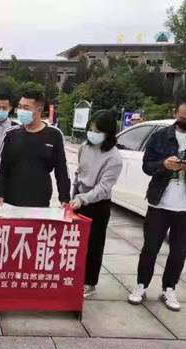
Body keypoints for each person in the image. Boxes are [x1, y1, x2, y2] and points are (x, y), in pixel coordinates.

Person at [128, 92, 186, 311]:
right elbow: (147, 166)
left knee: (179, 251)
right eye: (183, 118)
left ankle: (169, 288)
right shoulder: (160, 136)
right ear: (175, 112)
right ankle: (141, 285)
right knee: (150, 249)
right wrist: (163, 165)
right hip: (159, 202)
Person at [70, 110, 123, 298]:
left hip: (98, 205)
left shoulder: (114, 157)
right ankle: (75, 277)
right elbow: (79, 172)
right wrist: (74, 193)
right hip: (79, 199)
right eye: (91, 129)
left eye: (98, 131)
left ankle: (90, 283)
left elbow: (103, 187)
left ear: (108, 133)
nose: (92, 134)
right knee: (76, 244)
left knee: (94, 246)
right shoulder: (85, 147)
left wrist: (83, 198)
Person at [0, 90, 71, 207]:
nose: (21, 111)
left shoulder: (54, 135)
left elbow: (62, 169)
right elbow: (0, 166)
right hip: (11, 201)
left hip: (40, 200)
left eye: (26, 108)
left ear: (39, 110)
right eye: (19, 107)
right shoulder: (10, 134)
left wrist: (64, 198)